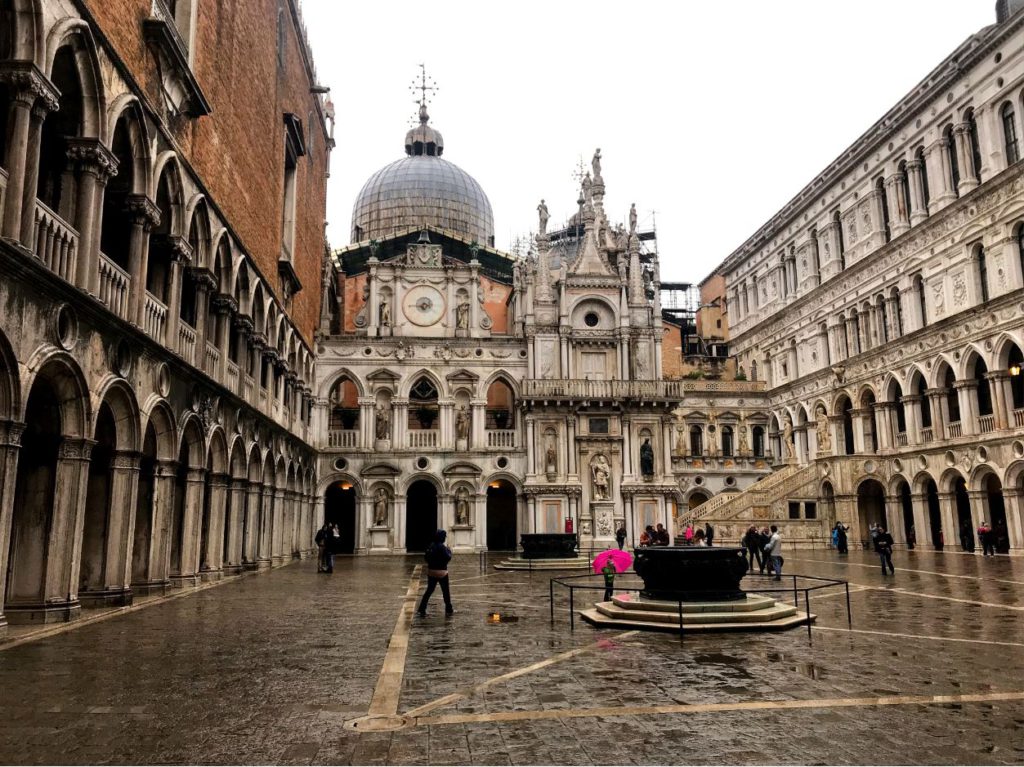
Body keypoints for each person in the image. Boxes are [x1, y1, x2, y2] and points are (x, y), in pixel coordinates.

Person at [417, 529, 454, 617]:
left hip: (431, 572)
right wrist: (449, 551)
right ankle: (449, 608)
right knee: (446, 592)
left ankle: (422, 608)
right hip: (442, 572)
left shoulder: (431, 545)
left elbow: (426, 558)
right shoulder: (442, 547)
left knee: (429, 591)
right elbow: (448, 557)